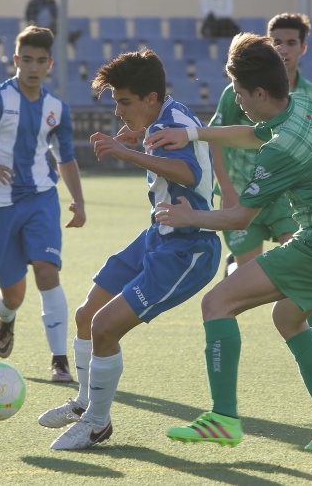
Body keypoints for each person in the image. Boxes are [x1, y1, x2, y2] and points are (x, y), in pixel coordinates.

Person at [141, 33, 312, 451]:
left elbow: (240, 217)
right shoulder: (304, 103)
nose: (239, 101)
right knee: (287, 319)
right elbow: (256, 134)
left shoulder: (281, 154)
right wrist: (194, 136)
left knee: (217, 303)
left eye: (242, 95)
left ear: (261, 91)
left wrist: (189, 215)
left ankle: (224, 417)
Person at [38, 49, 221, 451]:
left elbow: (188, 172)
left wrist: (128, 151)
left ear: (150, 98)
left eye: (124, 102)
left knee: (105, 326)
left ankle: (97, 424)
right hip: (158, 234)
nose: (119, 112)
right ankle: (85, 404)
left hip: (187, 250)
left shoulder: (171, 122)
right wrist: (141, 139)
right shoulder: (167, 116)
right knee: (87, 314)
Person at [210, 13, 312, 371]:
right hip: (245, 195)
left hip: (286, 202)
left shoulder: (309, 97)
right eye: (277, 42)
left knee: (300, 270)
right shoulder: (236, 91)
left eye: (291, 42)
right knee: (245, 281)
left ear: (303, 48)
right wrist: (226, 189)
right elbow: (217, 135)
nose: (284, 49)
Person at [0, 26, 86, 383]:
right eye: (26, 59)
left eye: (41, 61)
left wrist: (78, 200)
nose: (33, 67)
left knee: (47, 271)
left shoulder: (57, 109)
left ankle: (59, 360)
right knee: (14, 292)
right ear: (16, 60)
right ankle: (7, 318)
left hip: (41, 198)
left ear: (50, 64)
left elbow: (66, 157)